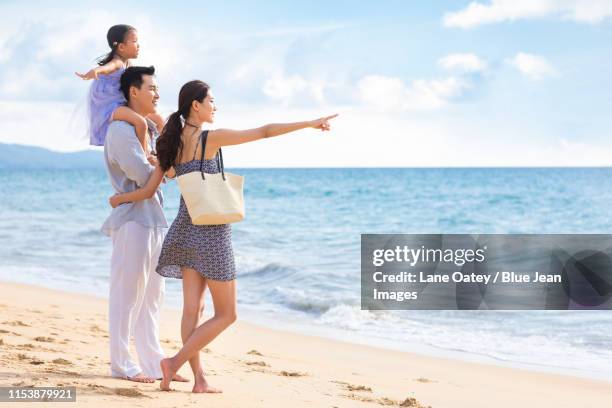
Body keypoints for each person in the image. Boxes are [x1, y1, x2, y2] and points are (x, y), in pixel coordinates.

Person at [108, 79, 337, 392]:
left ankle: (199, 380)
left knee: (194, 310)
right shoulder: (209, 139)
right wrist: (309, 124)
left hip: (185, 231)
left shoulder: (171, 144)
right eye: (211, 101)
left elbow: (150, 188)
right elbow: (265, 131)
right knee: (227, 314)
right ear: (196, 106)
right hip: (212, 235)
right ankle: (173, 363)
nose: (215, 106)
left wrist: (120, 199)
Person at [101, 65, 186, 384]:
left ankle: (153, 362)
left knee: (153, 294)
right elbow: (141, 172)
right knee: (127, 293)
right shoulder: (121, 132)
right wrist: (162, 164)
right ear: (133, 91)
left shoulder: (146, 128)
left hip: (154, 217)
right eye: (151, 87)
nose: (157, 93)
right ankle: (121, 363)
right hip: (132, 220)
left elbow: (162, 171)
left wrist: (161, 164)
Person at [75, 24, 163, 150]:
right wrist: (96, 71)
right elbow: (108, 67)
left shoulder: (128, 63)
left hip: (122, 102)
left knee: (158, 120)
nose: (139, 45)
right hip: (109, 106)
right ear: (121, 47)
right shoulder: (118, 62)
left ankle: (161, 152)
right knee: (141, 123)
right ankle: (145, 156)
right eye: (134, 41)